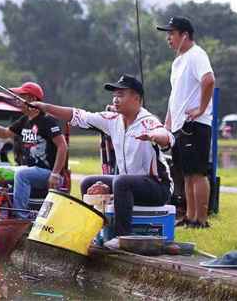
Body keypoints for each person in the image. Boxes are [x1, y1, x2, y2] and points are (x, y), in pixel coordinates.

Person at [31, 74, 174, 246]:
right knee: (88, 182)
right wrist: (45, 107)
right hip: (130, 185)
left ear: (137, 98)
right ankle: (93, 232)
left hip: (158, 187)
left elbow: (167, 136)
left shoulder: (148, 121)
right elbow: (78, 115)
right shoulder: (112, 120)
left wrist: (153, 136)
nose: (115, 99)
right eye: (114, 95)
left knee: (121, 182)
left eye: (121, 95)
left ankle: (123, 238)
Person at [0, 82, 68, 217]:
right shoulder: (24, 120)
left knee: (22, 174)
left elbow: (62, 146)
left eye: (21, 96)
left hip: (48, 173)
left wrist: (55, 174)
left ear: (32, 99)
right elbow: (4, 133)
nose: (16, 99)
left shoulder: (47, 121)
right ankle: (0, 216)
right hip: (29, 169)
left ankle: (20, 217)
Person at [157, 16, 216, 228]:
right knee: (186, 174)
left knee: (197, 173)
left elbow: (208, 80)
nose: (168, 38)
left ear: (185, 35)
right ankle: (190, 216)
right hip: (179, 125)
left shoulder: (196, 55)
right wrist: (168, 122)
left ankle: (201, 220)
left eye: (171, 34)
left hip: (196, 124)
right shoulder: (177, 62)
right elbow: (176, 96)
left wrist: (201, 108)